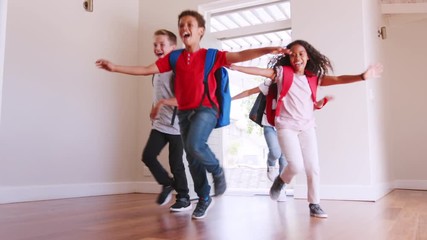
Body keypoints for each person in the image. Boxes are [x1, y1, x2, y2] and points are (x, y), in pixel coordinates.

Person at [96, 9, 289, 220]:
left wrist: (268, 49)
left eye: (189, 24)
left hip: (206, 109)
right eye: (181, 25)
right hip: (184, 113)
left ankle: (217, 170)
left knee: (195, 146)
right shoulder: (175, 57)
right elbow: (145, 69)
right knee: (192, 156)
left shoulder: (211, 55)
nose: (184, 28)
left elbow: (241, 55)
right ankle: (204, 197)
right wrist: (115, 68)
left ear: (200, 31)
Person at [230, 39, 383, 218]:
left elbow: (338, 79)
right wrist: (238, 68)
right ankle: (281, 180)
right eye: (293, 54)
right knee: (295, 165)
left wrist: (362, 76)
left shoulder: (313, 78)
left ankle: (314, 204)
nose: (297, 57)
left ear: (308, 57)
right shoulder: (281, 73)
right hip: (286, 125)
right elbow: (261, 72)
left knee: (313, 167)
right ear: (289, 58)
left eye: (301, 54)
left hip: (307, 126)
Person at [232, 82, 332, 202]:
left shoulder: (295, 84)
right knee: (275, 152)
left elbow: (304, 105)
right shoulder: (269, 85)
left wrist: (319, 104)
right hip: (269, 124)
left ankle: (281, 188)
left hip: (287, 125)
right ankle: (271, 164)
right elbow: (249, 92)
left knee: (286, 159)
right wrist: (230, 99)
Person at [135, 29, 191, 212]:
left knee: (176, 164)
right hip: (160, 124)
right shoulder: (157, 69)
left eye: (162, 44)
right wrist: (155, 108)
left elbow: (184, 99)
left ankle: (184, 197)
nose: (157, 48)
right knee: (148, 156)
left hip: (177, 127)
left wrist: (160, 104)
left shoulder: (178, 70)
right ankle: (167, 184)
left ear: (173, 48)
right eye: (155, 44)